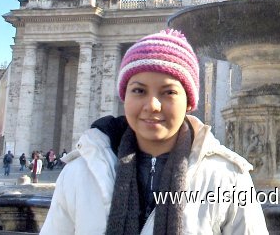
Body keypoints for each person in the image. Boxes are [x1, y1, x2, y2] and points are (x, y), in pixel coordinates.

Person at [41, 29, 267, 234]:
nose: (152, 105)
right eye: (139, 90)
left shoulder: (228, 178)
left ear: (189, 102)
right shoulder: (78, 174)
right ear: (124, 97)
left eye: (168, 92)